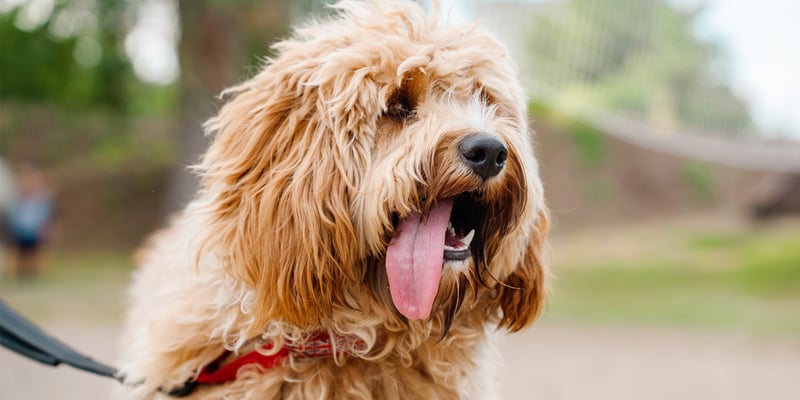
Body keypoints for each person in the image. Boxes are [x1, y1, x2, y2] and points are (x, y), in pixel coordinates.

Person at [5, 165, 54, 279]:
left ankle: (34, 273)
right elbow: (12, 214)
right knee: (20, 252)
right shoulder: (16, 198)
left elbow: (46, 215)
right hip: (19, 229)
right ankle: (20, 273)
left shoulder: (42, 198)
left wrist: (46, 227)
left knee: (35, 252)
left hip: (36, 230)